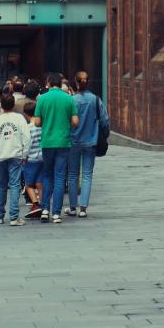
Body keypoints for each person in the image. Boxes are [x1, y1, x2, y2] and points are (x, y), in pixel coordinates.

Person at [33, 72, 78, 223]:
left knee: (47, 175)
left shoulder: (42, 99)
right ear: (60, 83)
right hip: (63, 141)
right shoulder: (68, 98)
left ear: (48, 83)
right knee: (59, 177)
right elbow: (75, 121)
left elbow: (37, 122)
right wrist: (66, 125)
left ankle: (45, 209)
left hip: (47, 142)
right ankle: (57, 213)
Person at [66, 71, 109, 218]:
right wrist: (105, 134)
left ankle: (72, 207)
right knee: (87, 174)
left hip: (73, 141)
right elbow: (104, 120)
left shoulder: (71, 100)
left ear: (76, 83)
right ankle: (83, 208)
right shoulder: (96, 100)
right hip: (91, 140)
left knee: (72, 174)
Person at [0, 90, 30, 225]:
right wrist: (25, 153)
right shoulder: (19, 118)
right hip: (16, 154)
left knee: (2, 185)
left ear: (1, 105)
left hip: (1, 155)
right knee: (15, 185)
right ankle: (14, 216)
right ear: (13, 104)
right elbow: (26, 137)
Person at [22, 101, 43, 218]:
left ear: (26, 114)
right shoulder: (42, 126)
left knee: (28, 184)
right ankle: (44, 204)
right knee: (40, 183)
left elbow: (27, 144)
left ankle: (35, 204)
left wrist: (24, 157)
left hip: (31, 159)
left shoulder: (28, 128)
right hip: (43, 158)